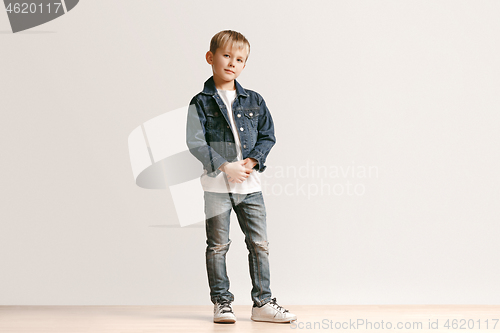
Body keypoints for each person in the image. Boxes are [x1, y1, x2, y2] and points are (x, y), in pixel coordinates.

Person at [185, 30, 297, 324]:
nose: (232, 63)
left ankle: (263, 302)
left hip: (251, 187)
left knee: (259, 244)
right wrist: (225, 166)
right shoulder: (201, 102)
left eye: (239, 59)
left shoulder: (255, 100)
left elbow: (268, 136)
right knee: (218, 246)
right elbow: (196, 142)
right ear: (211, 58)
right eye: (226, 56)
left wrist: (251, 160)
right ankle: (222, 303)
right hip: (216, 188)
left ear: (244, 65)